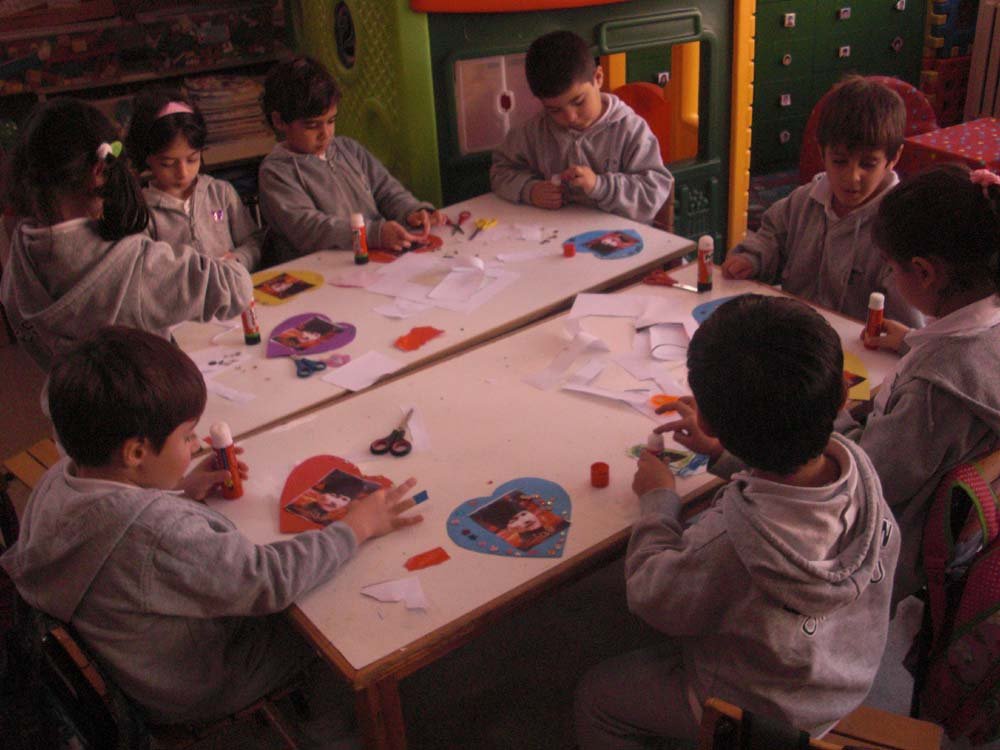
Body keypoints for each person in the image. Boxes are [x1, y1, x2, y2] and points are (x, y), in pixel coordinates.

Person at [0, 326, 423, 738]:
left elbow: (117, 522)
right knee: (330, 619)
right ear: (136, 452)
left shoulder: (60, 478)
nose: (196, 443)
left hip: (138, 659)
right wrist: (356, 527)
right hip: (201, 680)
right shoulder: (159, 534)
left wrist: (178, 487)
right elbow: (269, 579)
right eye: (186, 437)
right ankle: (332, 727)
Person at [575, 295, 899, 748]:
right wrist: (725, 453)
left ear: (707, 421)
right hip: (844, 677)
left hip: (756, 711)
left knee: (597, 697)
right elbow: (789, 480)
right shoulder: (863, 472)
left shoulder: (732, 541)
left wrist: (658, 500)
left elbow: (650, 596)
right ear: (843, 396)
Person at [0, 98, 252, 371]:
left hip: (73, 393)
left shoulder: (19, 260)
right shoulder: (133, 264)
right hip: (149, 389)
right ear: (99, 170)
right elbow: (235, 286)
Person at [852, 164, 1000, 602]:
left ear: (924, 272)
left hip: (886, 559)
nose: (891, 278)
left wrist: (828, 419)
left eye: (892, 268)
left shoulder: (932, 394)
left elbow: (865, 481)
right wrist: (912, 343)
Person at [721, 76, 922, 327]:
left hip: (857, 346)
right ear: (821, 152)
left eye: (868, 164)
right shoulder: (803, 201)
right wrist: (752, 260)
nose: (852, 176)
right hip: (796, 328)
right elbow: (770, 238)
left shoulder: (899, 230)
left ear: (893, 158)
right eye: (839, 161)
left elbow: (908, 328)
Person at [258, 56, 442, 264]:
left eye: (331, 121)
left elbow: (387, 190)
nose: (325, 134)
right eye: (312, 125)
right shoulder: (276, 172)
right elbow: (310, 229)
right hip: (323, 268)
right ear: (279, 121)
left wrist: (411, 211)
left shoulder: (348, 149)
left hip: (373, 258)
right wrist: (373, 234)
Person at [490, 30, 673, 225]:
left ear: (598, 78)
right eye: (554, 110)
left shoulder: (630, 129)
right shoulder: (535, 130)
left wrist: (600, 186)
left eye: (578, 101)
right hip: (557, 234)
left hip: (622, 236)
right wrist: (530, 190)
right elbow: (500, 171)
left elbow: (653, 193)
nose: (570, 117)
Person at [125, 87, 262, 269]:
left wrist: (239, 259)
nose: (183, 172)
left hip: (232, 282)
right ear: (148, 158)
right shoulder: (143, 211)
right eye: (167, 163)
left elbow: (253, 242)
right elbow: (146, 270)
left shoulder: (221, 193)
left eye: (192, 159)